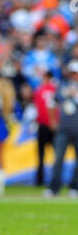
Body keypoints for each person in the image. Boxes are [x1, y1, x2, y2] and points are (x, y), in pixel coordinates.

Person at [45, 60, 78, 198]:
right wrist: (53, 121)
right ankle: (54, 188)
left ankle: (75, 188)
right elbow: (51, 103)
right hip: (63, 129)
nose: (74, 75)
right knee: (58, 159)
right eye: (72, 73)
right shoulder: (62, 86)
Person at [33, 71, 58, 186]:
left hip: (44, 124)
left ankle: (40, 180)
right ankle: (55, 180)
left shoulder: (40, 90)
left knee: (41, 154)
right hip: (52, 125)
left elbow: (38, 108)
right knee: (56, 155)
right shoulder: (55, 89)